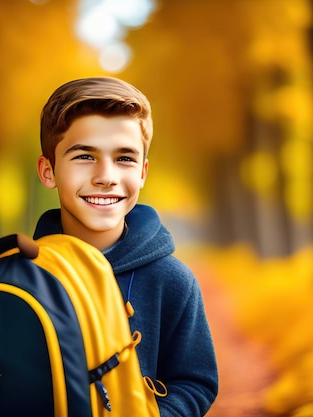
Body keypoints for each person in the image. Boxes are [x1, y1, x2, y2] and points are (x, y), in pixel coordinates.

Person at [33, 76, 218, 416]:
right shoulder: (20, 277)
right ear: (49, 171)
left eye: (125, 158)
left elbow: (195, 381)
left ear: (143, 172)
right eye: (85, 156)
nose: (106, 176)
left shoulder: (173, 280)